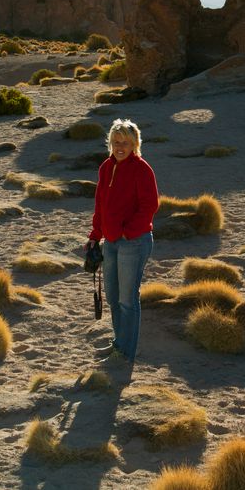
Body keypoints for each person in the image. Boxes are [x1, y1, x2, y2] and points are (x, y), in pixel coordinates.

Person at [87, 118, 159, 365]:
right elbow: (100, 205)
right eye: (116, 141)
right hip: (111, 242)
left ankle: (125, 353)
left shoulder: (141, 169)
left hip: (134, 242)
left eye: (125, 142)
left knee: (128, 300)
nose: (120, 146)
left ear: (134, 144)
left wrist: (128, 231)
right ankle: (118, 344)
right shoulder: (106, 167)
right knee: (114, 297)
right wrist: (95, 236)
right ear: (110, 142)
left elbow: (150, 206)